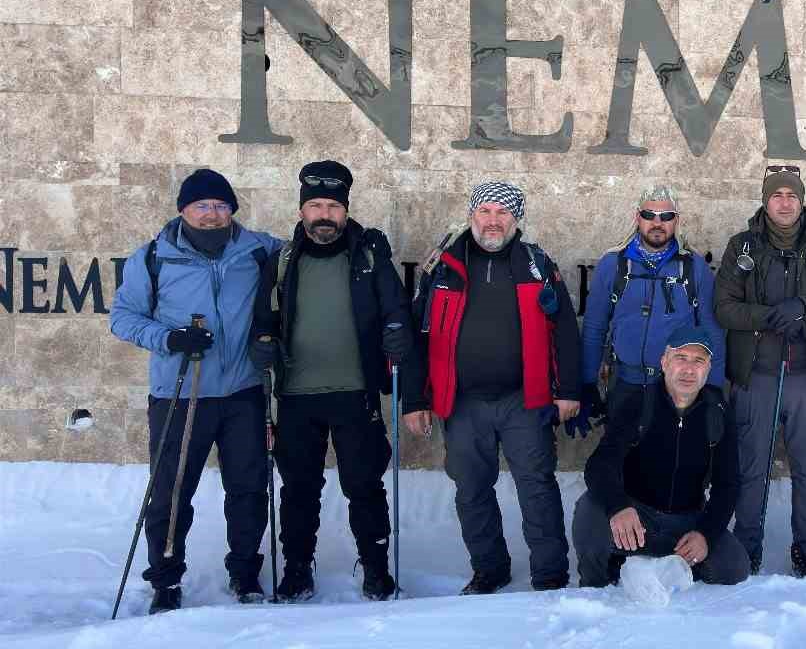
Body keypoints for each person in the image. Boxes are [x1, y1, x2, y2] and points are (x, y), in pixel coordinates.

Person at [110, 168, 283, 613]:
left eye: (221, 206)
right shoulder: (152, 257)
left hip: (243, 391)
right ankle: (165, 579)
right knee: (171, 491)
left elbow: (310, 252)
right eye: (202, 206)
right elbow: (123, 318)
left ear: (232, 211)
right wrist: (170, 338)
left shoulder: (258, 250)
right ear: (183, 210)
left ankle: (245, 572)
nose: (211, 214)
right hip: (180, 393)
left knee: (248, 488)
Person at [400, 181, 581, 594]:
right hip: (462, 401)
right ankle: (490, 568)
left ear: (516, 220)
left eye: (503, 213)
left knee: (537, 485)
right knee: (471, 489)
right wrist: (414, 399)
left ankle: (550, 574)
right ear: (472, 216)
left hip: (525, 397)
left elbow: (565, 330)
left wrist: (568, 389)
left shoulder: (537, 264)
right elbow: (417, 335)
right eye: (485, 211)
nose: (493, 221)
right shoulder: (443, 267)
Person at [250, 161, 410, 602]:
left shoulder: (369, 256)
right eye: (316, 205)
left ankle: (376, 565)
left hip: (355, 392)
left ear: (346, 209)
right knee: (299, 488)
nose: (325, 214)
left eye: (333, 206)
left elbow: (395, 307)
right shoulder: (281, 260)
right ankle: (298, 566)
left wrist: (396, 331)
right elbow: (263, 318)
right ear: (302, 210)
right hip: (298, 396)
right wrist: (263, 341)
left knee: (364, 485)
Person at [713, 166, 806, 577]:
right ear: (765, 199)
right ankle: (746, 547)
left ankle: (805, 552)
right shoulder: (742, 245)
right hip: (756, 374)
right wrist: (770, 317)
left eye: (792, 195)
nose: (785, 202)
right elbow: (724, 307)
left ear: (801, 199)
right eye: (777, 195)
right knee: (751, 467)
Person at [573, 326, 749, 588]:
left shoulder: (718, 412)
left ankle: (670, 568)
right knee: (589, 515)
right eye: (680, 358)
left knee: (734, 566)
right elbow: (600, 465)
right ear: (664, 362)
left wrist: (705, 535)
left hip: (686, 523)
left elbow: (728, 485)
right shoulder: (639, 403)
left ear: (708, 369)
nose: (689, 369)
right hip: (637, 518)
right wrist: (619, 506)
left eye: (698, 361)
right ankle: (600, 587)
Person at [580, 185, 724, 425]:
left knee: (667, 459)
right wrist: (586, 383)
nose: (657, 222)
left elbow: (712, 332)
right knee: (623, 457)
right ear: (637, 217)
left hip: (675, 389)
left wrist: (714, 391)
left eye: (666, 216)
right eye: (649, 215)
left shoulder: (694, 267)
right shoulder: (612, 264)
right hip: (624, 383)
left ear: (676, 220)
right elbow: (594, 327)